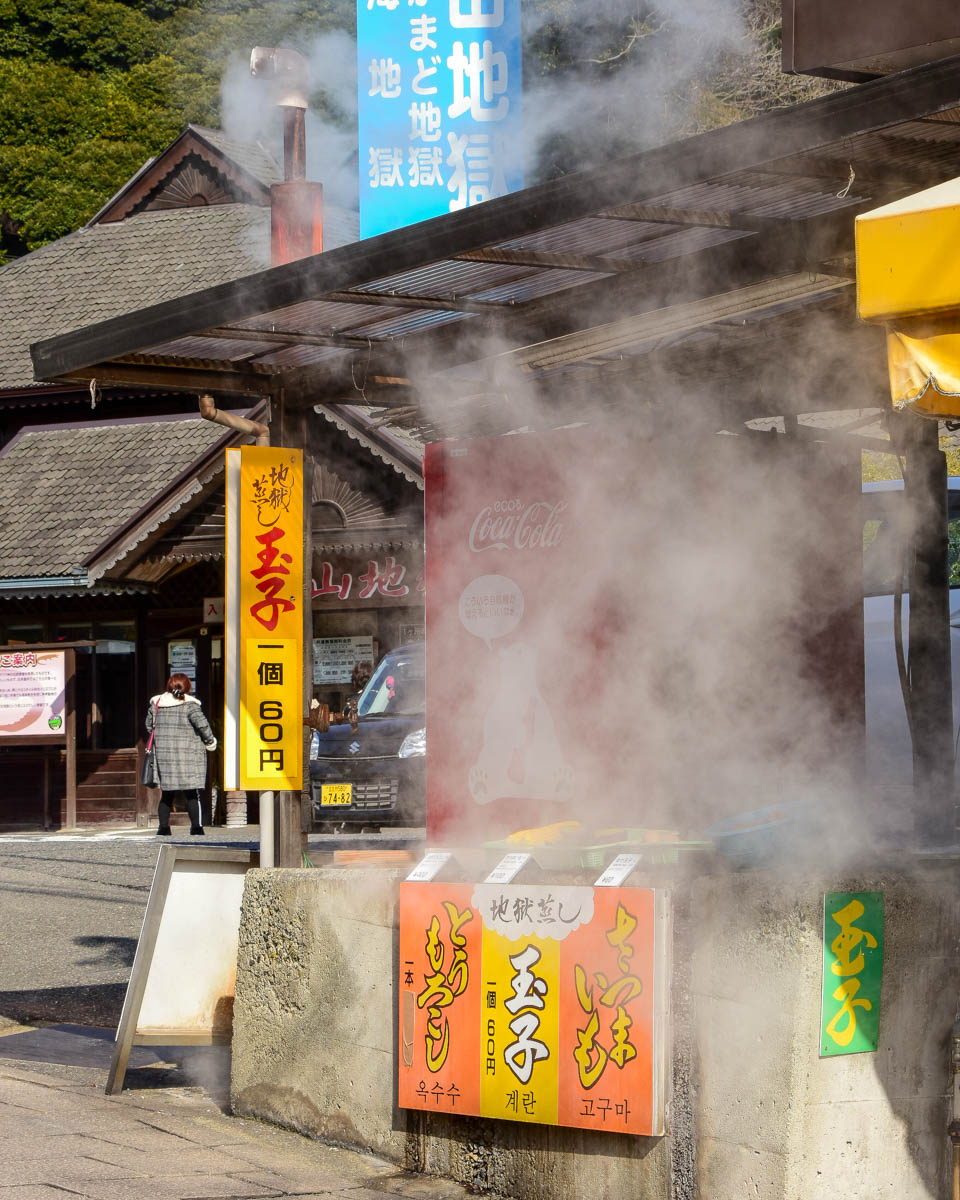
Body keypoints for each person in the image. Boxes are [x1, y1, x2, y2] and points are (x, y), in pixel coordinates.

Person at [145, 673, 217, 836]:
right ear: (187, 687)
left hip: (164, 756)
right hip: (188, 755)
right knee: (192, 793)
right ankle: (196, 828)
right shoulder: (190, 706)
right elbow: (203, 726)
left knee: (167, 793)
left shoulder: (156, 704)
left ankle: (163, 828)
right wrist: (210, 742)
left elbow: (149, 726)